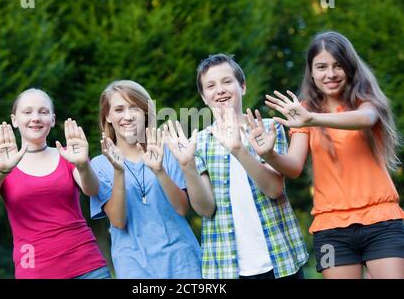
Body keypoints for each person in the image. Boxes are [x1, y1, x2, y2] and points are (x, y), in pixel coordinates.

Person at [262, 31, 404, 278]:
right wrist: (269, 153)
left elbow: (365, 120)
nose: (330, 74)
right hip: (332, 229)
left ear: (349, 67)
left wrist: (313, 119)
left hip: (381, 221)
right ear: (311, 71)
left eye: (338, 65)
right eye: (322, 67)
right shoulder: (304, 111)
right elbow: (294, 166)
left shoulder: (365, 101)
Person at [163, 54, 308, 279]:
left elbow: (274, 189)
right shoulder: (198, 143)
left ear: (243, 86)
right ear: (203, 97)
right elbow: (205, 209)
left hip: (281, 258)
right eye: (210, 86)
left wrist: (239, 150)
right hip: (227, 267)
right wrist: (187, 166)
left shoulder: (268, 129)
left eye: (227, 82)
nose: (220, 90)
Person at [0, 88, 109, 279]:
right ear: (14, 120)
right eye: (27, 112)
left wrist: (82, 165)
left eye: (43, 112)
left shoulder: (69, 156)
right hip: (35, 271)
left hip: (87, 265)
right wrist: (2, 170)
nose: (35, 117)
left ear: (52, 120)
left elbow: (92, 190)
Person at [89, 80, 202, 279]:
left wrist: (159, 171)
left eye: (134, 108)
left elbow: (182, 209)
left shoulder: (166, 150)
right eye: (119, 109)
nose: (127, 116)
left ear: (146, 112)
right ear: (108, 116)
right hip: (133, 267)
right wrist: (119, 171)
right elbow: (118, 221)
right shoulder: (100, 164)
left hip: (182, 262)